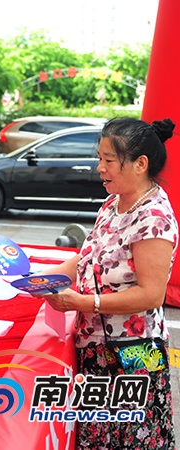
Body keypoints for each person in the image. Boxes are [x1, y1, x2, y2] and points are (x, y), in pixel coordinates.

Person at [40, 118, 177, 449]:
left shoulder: (153, 219)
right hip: (96, 348)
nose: (99, 167)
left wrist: (84, 304)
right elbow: (87, 255)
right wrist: (46, 280)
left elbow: (151, 294)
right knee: (97, 437)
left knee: (130, 439)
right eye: (99, 158)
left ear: (140, 164)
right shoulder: (113, 203)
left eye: (108, 160)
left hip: (133, 356)